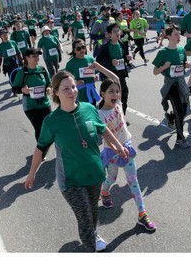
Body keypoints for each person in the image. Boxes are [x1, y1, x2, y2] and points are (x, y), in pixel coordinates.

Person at [24, 71, 129, 252]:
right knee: (85, 218)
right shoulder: (51, 121)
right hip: (71, 180)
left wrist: (119, 146)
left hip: (95, 174)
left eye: (73, 87)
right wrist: (32, 173)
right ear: (56, 92)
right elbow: (40, 148)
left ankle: (93, 234)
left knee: (93, 213)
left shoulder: (89, 109)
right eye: (66, 88)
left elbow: (103, 130)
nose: (72, 91)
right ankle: (90, 247)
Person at [98, 79, 156, 231]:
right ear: (103, 94)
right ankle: (104, 192)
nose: (115, 94)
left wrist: (98, 66)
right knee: (112, 178)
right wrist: (117, 149)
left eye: (117, 91)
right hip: (112, 153)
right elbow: (106, 138)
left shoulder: (119, 105)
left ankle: (142, 214)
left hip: (127, 149)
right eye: (111, 91)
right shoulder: (100, 114)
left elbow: (116, 79)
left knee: (133, 181)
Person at [152, 24, 191, 148]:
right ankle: (180, 139)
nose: (178, 36)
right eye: (175, 34)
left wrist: (186, 65)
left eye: (179, 34)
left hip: (181, 84)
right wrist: (164, 67)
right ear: (168, 36)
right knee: (179, 111)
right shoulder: (163, 52)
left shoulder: (181, 50)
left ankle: (170, 117)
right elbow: (155, 71)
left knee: (185, 109)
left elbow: (183, 65)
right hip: (170, 86)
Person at [11, 48, 52, 159]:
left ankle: (42, 148)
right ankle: (41, 152)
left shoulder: (42, 70)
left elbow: (49, 83)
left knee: (49, 127)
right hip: (31, 106)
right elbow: (15, 88)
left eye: (38, 56)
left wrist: (48, 88)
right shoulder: (23, 72)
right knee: (39, 128)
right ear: (27, 58)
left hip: (45, 103)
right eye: (34, 56)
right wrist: (22, 90)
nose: (37, 58)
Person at [65, 38, 119, 106]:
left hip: (91, 92)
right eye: (78, 48)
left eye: (83, 47)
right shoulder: (70, 63)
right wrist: (76, 82)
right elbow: (66, 80)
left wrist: (96, 76)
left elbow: (97, 72)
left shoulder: (90, 59)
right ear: (74, 50)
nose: (82, 50)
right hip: (79, 95)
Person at [96, 23, 131, 118]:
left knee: (124, 95)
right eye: (114, 31)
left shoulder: (121, 44)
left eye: (118, 30)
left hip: (121, 75)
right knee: (108, 98)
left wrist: (127, 58)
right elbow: (98, 62)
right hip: (110, 76)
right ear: (109, 34)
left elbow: (123, 57)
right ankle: (102, 115)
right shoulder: (105, 47)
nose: (117, 33)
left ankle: (121, 117)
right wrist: (111, 62)